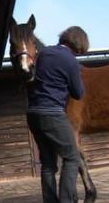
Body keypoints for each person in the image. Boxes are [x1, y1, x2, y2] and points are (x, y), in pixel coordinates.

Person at [26, 26, 88, 203]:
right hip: (52, 113)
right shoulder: (70, 61)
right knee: (71, 157)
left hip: (33, 114)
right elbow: (78, 93)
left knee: (48, 164)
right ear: (79, 45)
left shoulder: (44, 54)